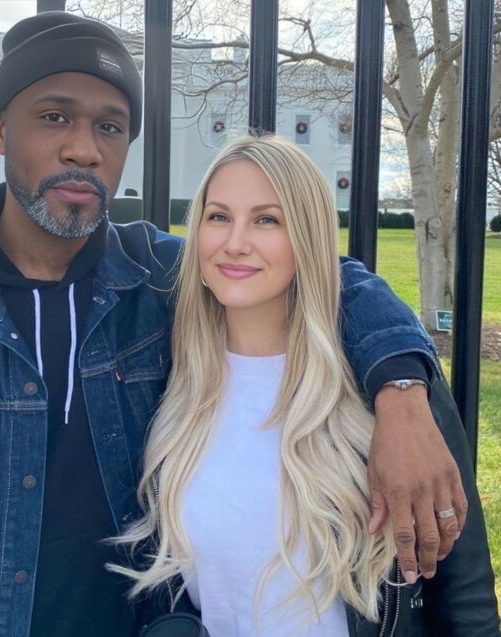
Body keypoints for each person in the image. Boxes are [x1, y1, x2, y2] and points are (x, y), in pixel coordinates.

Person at [0, 11, 471, 637]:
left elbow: (321, 272)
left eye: (110, 126)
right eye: (54, 117)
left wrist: (402, 393)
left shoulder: (151, 279)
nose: (84, 148)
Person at [114, 135, 499, 636]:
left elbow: (465, 594)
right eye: (219, 216)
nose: (235, 242)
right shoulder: (168, 379)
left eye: (267, 220)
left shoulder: (387, 389)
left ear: (307, 237)